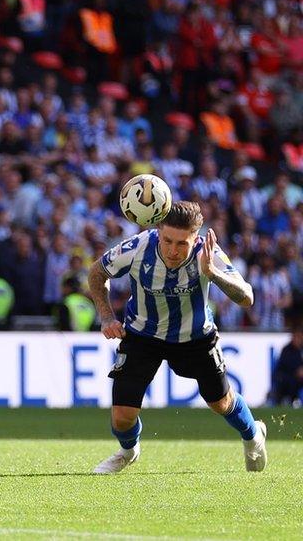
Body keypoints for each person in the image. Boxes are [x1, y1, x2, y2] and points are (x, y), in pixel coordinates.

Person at [87, 201, 267, 474]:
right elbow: (97, 272)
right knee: (122, 417)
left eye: (182, 243)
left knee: (221, 403)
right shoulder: (138, 247)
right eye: (167, 240)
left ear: (196, 238)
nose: (172, 250)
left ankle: (253, 435)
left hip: (194, 338)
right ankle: (128, 451)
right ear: (158, 231)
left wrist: (212, 273)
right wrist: (108, 316)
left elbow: (247, 298)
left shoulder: (207, 252)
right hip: (142, 335)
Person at [271, 327, 303, 406]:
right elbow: (286, 365)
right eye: (295, 337)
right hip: (290, 376)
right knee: (290, 381)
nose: (297, 340)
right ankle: (293, 400)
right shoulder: (287, 350)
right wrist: (297, 370)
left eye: (299, 337)